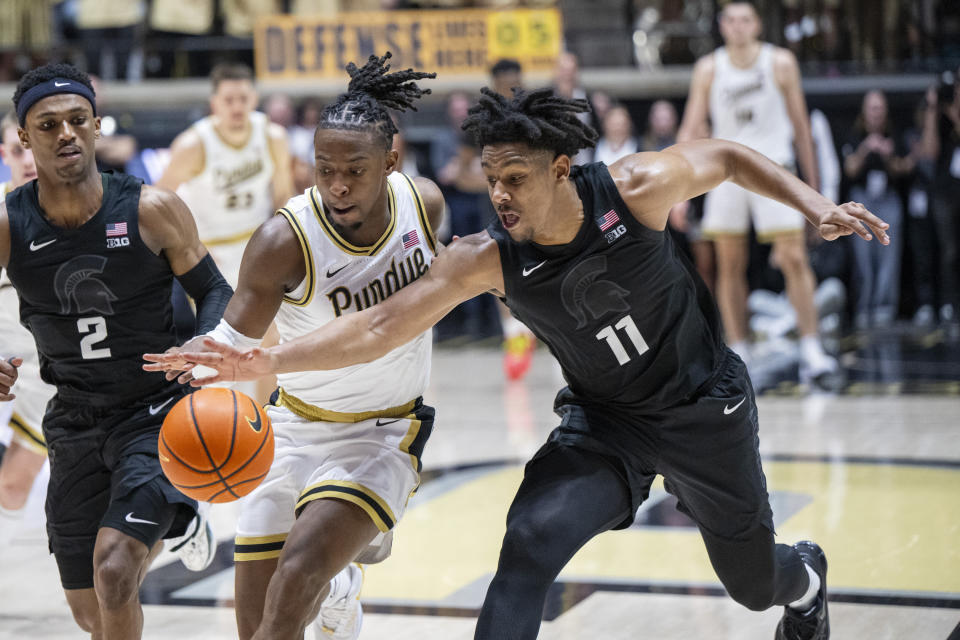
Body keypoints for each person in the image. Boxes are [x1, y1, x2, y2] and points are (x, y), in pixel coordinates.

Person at [156, 87, 890, 640]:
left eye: (515, 179)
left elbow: (727, 156)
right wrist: (266, 356)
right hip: (606, 424)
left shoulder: (632, 191)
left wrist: (813, 203)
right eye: (491, 178)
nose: (498, 195)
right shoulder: (485, 259)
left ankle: (805, 581)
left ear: (563, 169)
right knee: (528, 546)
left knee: (753, 584)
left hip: (703, 409)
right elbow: (379, 326)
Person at [147, 52, 442, 640]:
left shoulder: (424, 204)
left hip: (382, 432)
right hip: (293, 428)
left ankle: (327, 578)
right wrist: (193, 365)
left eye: (354, 170)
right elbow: (232, 338)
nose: (335, 184)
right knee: (256, 626)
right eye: (323, 167)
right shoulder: (284, 239)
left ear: (391, 158)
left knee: (295, 583)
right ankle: (340, 586)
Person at [0, 63, 228, 639]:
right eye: (47, 125)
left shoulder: (152, 208)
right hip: (72, 419)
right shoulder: (8, 223)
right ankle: (179, 519)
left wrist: (209, 343)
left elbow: (215, 290)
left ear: (98, 126)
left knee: (116, 568)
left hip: (153, 412)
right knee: (90, 611)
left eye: (78, 119)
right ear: (25, 139)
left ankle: (176, 508)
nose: (66, 133)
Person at [677, 0, 837, 385]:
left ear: (758, 25)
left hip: (775, 167)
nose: (738, 26)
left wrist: (813, 193)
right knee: (729, 264)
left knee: (795, 258)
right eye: (730, 20)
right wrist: (679, 193)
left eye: (745, 19)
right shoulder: (709, 67)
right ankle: (741, 349)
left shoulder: (780, 62)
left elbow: (801, 129)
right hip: (726, 173)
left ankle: (812, 348)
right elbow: (691, 127)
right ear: (722, 26)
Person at [156, 62, 294, 288]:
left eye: (243, 98)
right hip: (211, 251)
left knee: (274, 324)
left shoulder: (274, 137)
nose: (237, 107)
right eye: (229, 100)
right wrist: (187, 247)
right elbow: (159, 203)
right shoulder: (192, 145)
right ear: (214, 103)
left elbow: (283, 197)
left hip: (258, 245)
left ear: (255, 98)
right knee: (218, 324)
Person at [0, 109, 51, 537]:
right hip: (9, 366)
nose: (28, 158)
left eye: (32, 147)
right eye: (18, 150)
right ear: (5, 154)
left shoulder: (77, 211)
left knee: (13, 489)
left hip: (58, 372)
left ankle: (181, 516)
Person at [840, 90, 910, 328]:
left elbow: (904, 168)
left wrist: (888, 155)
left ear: (886, 111)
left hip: (888, 199)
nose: (876, 113)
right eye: (872, 108)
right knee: (862, 257)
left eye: (880, 108)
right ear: (864, 111)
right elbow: (849, 170)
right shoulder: (855, 135)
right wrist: (866, 148)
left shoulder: (894, 135)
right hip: (861, 201)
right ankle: (863, 307)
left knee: (889, 256)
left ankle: (884, 308)